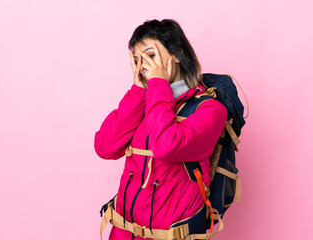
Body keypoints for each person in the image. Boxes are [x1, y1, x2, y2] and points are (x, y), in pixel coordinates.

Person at [94, 18, 227, 240]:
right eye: (138, 60)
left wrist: (157, 84)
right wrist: (138, 90)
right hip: (123, 234)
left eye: (151, 56)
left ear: (176, 54)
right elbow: (104, 147)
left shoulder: (210, 110)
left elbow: (166, 147)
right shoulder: (142, 102)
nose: (143, 65)